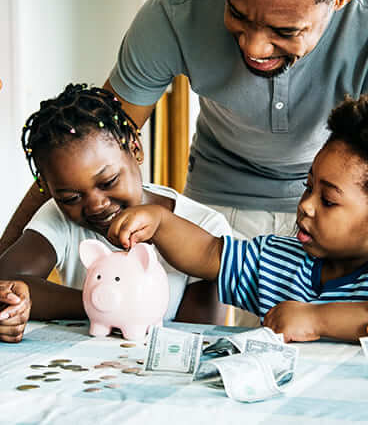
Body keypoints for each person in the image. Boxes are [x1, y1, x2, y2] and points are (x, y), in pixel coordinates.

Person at [1, 0, 368, 354]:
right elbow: (88, 142)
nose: (255, 46)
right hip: (221, 209)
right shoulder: (176, 9)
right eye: (238, 14)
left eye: (284, 29)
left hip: (350, 213)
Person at [106, 92, 368, 350]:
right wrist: (160, 222)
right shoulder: (278, 258)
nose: (306, 206)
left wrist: (316, 319)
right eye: (308, 188)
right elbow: (209, 252)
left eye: (328, 200)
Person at [0, 84, 232, 343]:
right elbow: (5, 281)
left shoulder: (205, 226)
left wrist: (110, 307)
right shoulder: (59, 216)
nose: (96, 205)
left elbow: (197, 334)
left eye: (108, 181)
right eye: (71, 198)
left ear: (135, 149)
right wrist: (98, 303)